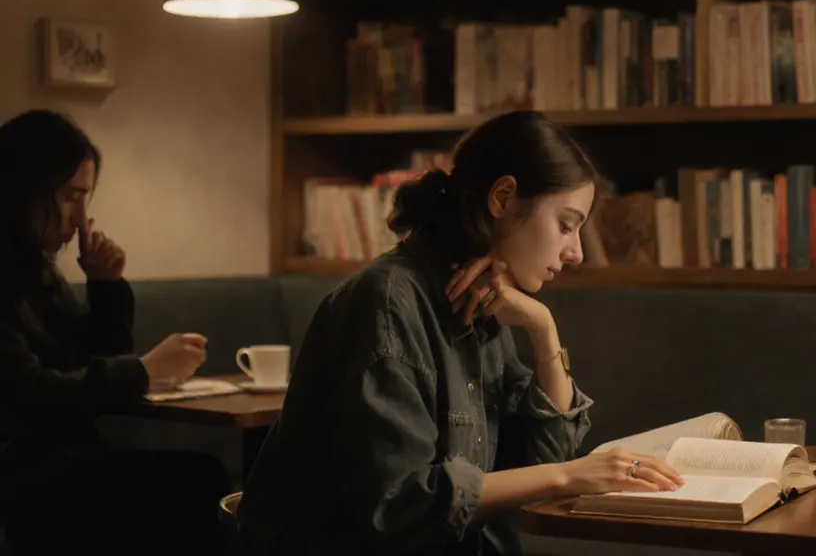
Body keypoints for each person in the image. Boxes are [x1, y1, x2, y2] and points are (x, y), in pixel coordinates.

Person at [236, 110, 684, 555]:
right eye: (566, 225)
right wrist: (573, 475)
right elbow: (400, 505)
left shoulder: (480, 298)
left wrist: (543, 330)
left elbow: (538, 461)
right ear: (503, 198)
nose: (576, 253)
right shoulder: (388, 301)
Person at [0, 109, 231, 555]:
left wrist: (106, 288)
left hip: (63, 466)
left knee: (205, 479)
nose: (82, 218)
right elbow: (28, 391)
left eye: (86, 197)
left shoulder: (34, 269)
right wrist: (143, 372)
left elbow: (88, 362)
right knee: (200, 483)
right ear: (22, 190)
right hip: (23, 478)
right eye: (70, 196)